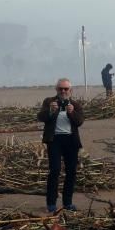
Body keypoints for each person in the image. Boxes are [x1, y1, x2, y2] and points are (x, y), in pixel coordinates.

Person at [37, 78, 85, 214]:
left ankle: (67, 203)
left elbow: (79, 121)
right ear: (56, 90)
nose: (63, 91)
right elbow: (41, 117)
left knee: (71, 172)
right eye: (60, 89)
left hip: (71, 141)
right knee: (55, 170)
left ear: (71, 90)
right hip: (55, 140)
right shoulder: (49, 101)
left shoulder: (75, 104)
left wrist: (71, 112)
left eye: (66, 89)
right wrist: (51, 111)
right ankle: (51, 203)